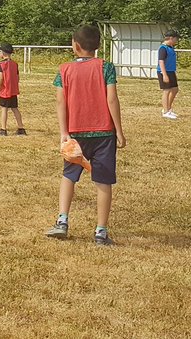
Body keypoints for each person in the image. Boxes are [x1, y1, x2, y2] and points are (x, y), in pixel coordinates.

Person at [45, 25, 125, 246]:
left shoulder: (64, 69)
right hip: (103, 132)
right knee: (103, 180)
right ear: (97, 45)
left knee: (69, 175)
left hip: (75, 133)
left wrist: (64, 132)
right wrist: (118, 129)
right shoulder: (106, 67)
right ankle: (100, 231)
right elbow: (112, 99)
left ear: (75, 45)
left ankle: (62, 220)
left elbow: (60, 101)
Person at [0, 43, 25, 135]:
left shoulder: (2, 65)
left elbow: (1, 78)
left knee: (4, 109)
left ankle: (3, 129)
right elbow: (17, 77)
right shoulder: (15, 64)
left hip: (5, 91)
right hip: (13, 91)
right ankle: (21, 128)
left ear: (3, 53)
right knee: (15, 108)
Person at [157, 30, 180, 120]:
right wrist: (164, 75)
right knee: (166, 91)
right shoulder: (163, 48)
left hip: (171, 71)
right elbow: (161, 61)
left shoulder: (170, 47)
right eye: (175, 39)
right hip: (164, 71)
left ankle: (168, 108)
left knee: (175, 89)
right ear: (171, 38)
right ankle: (165, 111)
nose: (176, 41)